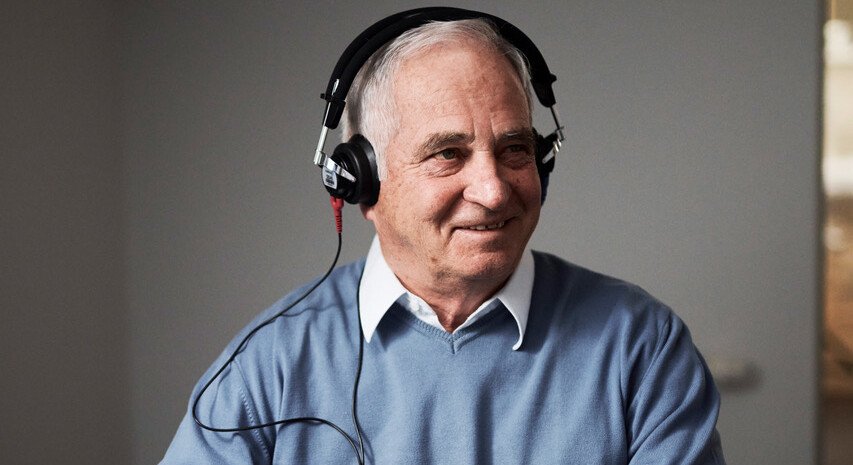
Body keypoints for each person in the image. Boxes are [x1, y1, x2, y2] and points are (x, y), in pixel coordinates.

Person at [161, 11, 725, 465]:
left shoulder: (643, 346)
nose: (494, 191)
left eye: (514, 149)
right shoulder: (264, 368)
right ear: (362, 182)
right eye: (448, 154)